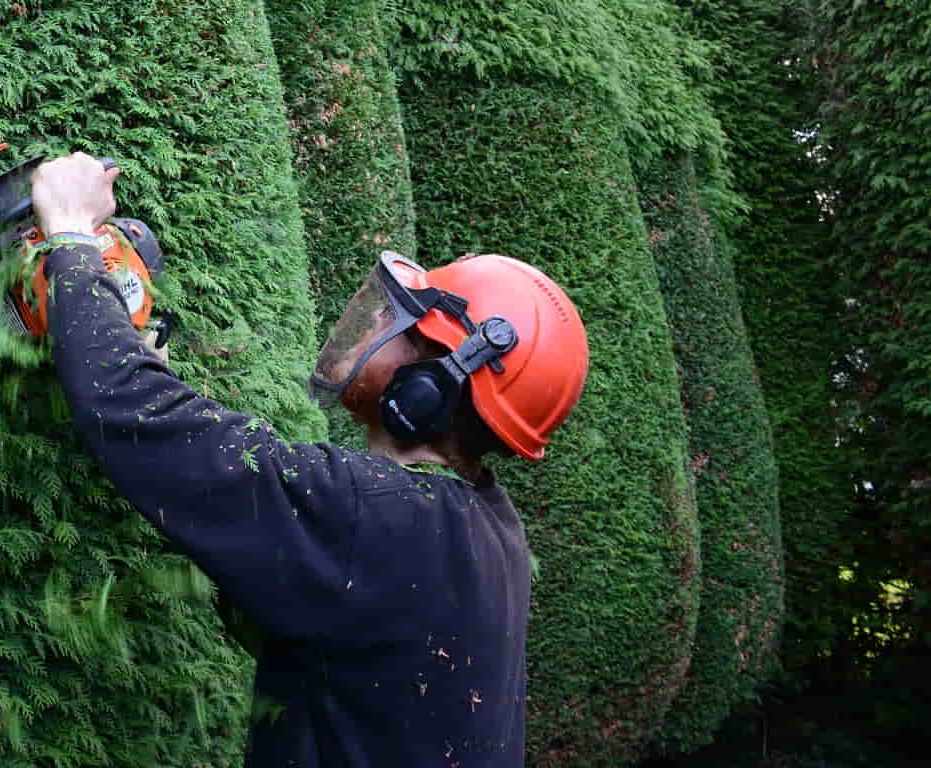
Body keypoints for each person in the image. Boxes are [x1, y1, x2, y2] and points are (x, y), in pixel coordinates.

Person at [29, 151, 589, 768]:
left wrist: (73, 234)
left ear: (432, 387)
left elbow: (131, 413)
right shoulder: (486, 528)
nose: (376, 317)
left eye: (398, 320)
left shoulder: (378, 514)